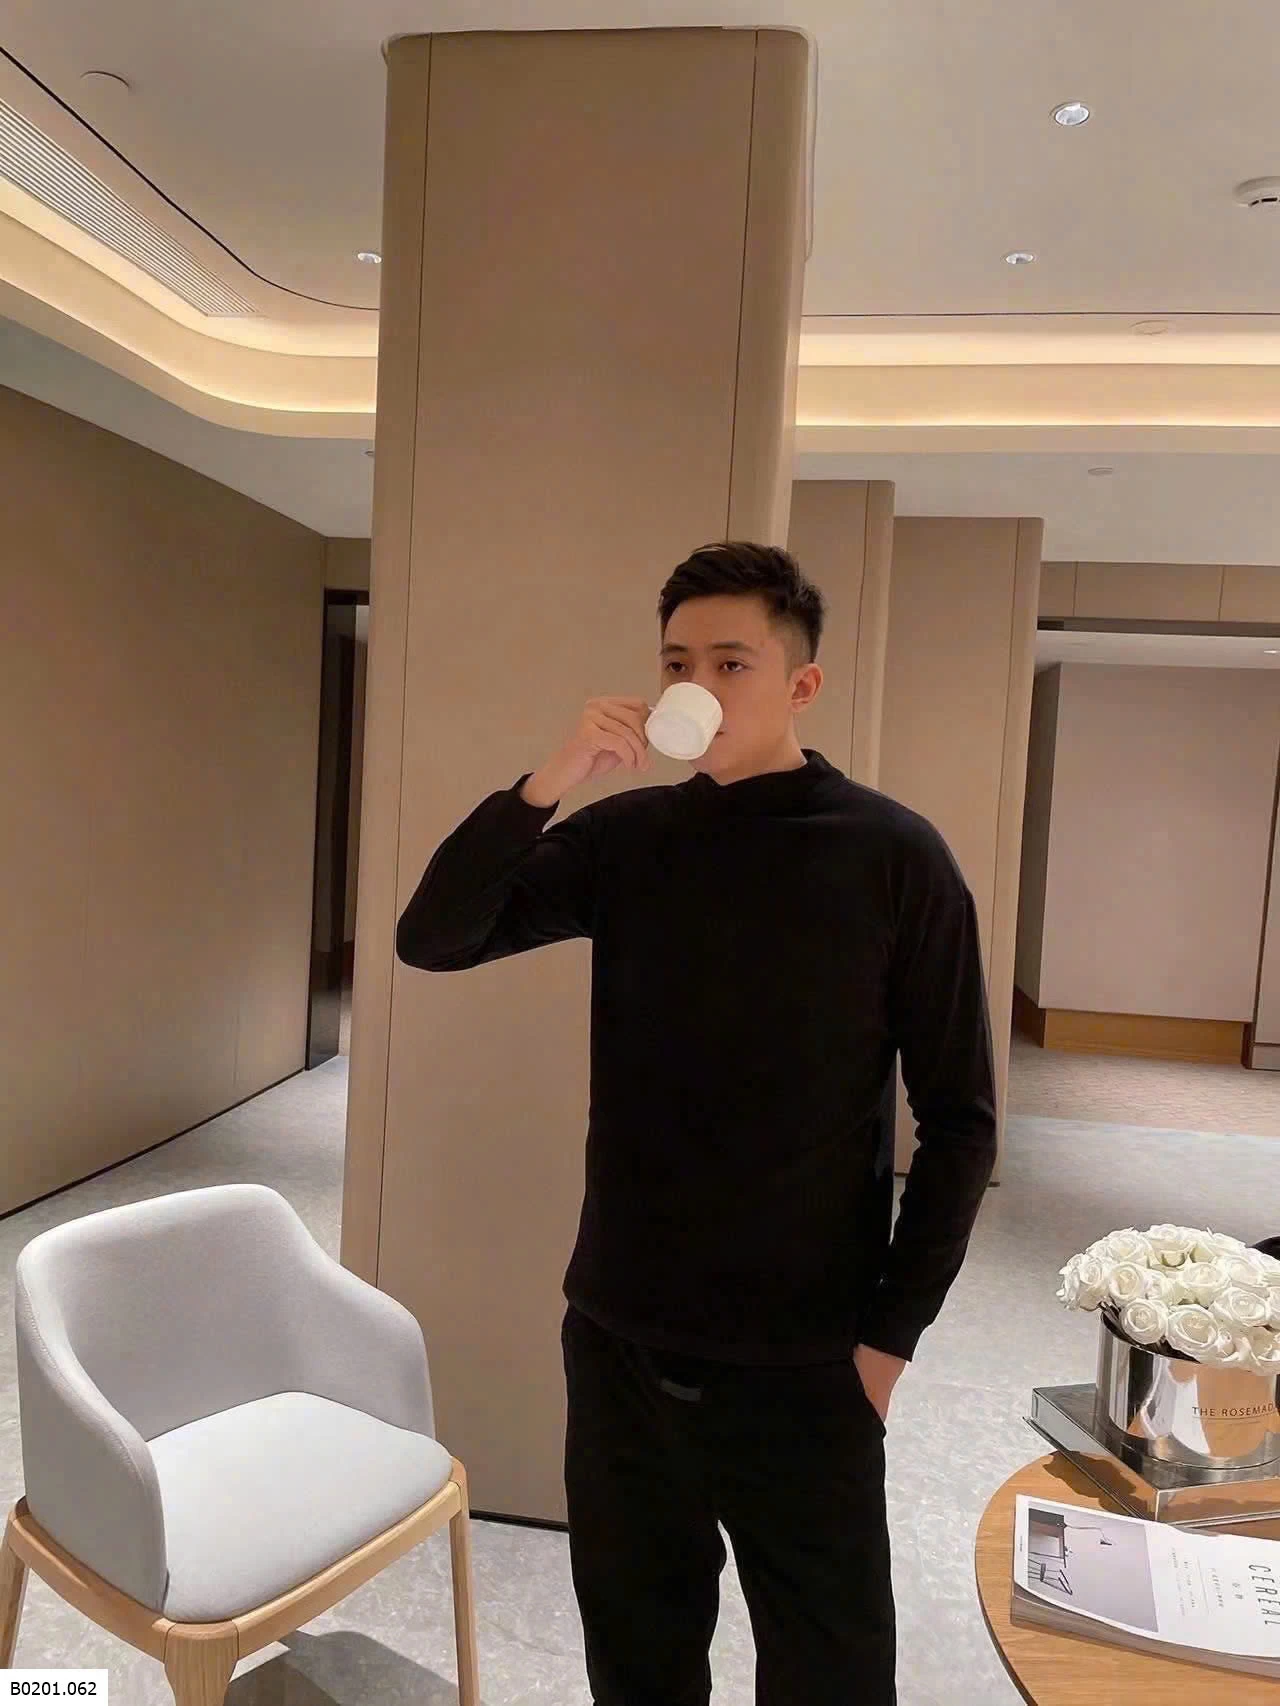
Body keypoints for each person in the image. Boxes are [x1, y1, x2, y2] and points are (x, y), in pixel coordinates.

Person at [396, 541, 998, 1706]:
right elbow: (435, 934)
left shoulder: (892, 856)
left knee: (828, 1675)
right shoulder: (624, 838)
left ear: (800, 683)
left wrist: (885, 1343)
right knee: (637, 1664)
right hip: (620, 1336)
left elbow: (959, 1122)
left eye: (731, 661)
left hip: (805, 1357)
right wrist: (553, 774)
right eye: (677, 662)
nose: (697, 685)